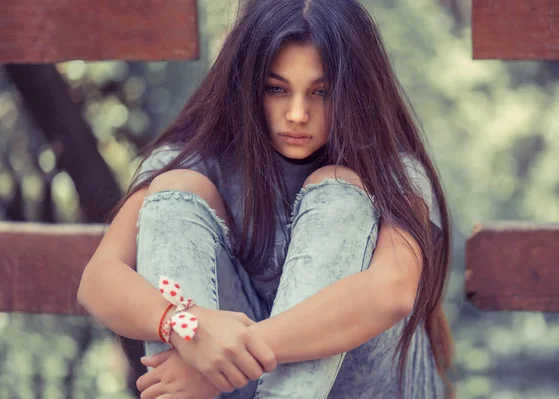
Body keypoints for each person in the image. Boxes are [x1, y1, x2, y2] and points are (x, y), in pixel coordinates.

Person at [77, 0, 454, 398]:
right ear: (246, 84)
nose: (296, 113)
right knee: (175, 191)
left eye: (320, 92)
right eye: (277, 89)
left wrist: (225, 353)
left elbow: (390, 292)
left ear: (353, 93)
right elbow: (99, 280)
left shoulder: (393, 169)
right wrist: (188, 330)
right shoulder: (195, 157)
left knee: (340, 191)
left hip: (367, 388)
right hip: (223, 382)